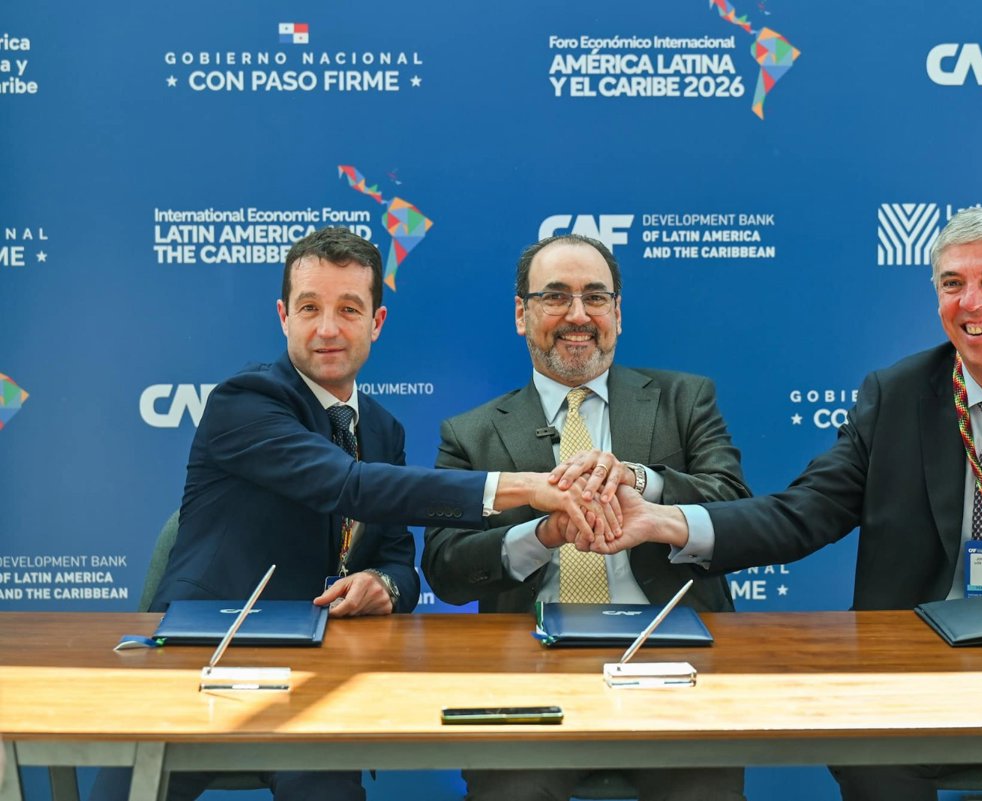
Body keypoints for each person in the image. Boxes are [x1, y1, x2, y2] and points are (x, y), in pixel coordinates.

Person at [578, 207, 982, 801]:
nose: (972, 302)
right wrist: (664, 520)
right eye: (952, 284)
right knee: (873, 762)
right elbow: (805, 513)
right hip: (919, 666)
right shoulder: (897, 396)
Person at [90, 227, 612, 801]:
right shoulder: (246, 400)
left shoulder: (383, 429)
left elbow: (401, 562)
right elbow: (347, 484)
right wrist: (524, 487)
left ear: (376, 323)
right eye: (309, 308)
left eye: (348, 309)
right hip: (199, 663)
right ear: (284, 317)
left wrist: (383, 585)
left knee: (328, 787)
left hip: (313, 681)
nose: (328, 329)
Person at [423, 233, 750, 801]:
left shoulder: (685, 400)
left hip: (672, 666)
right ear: (522, 315)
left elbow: (736, 508)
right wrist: (543, 533)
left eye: (595, 297)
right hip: (531, 675)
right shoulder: (470, 434)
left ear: (617, 313)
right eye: (555, 297)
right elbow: (446, 569)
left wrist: (642, 481)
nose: (578, 316)